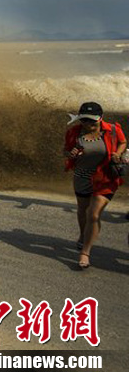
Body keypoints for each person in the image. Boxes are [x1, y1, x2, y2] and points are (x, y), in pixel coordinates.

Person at [63, 101, 125, 269]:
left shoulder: (112, 130)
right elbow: (66, 151)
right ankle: (83, 234)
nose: (88, 124)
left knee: (93, 213)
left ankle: (85, 252)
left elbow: (123, 142)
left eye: (92, 121)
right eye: (84, 120)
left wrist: (117, 154)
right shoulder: (74, 133)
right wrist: (71, 153)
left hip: (105, 178)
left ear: (100, 118)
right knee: (83, 210)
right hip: (82, 177)